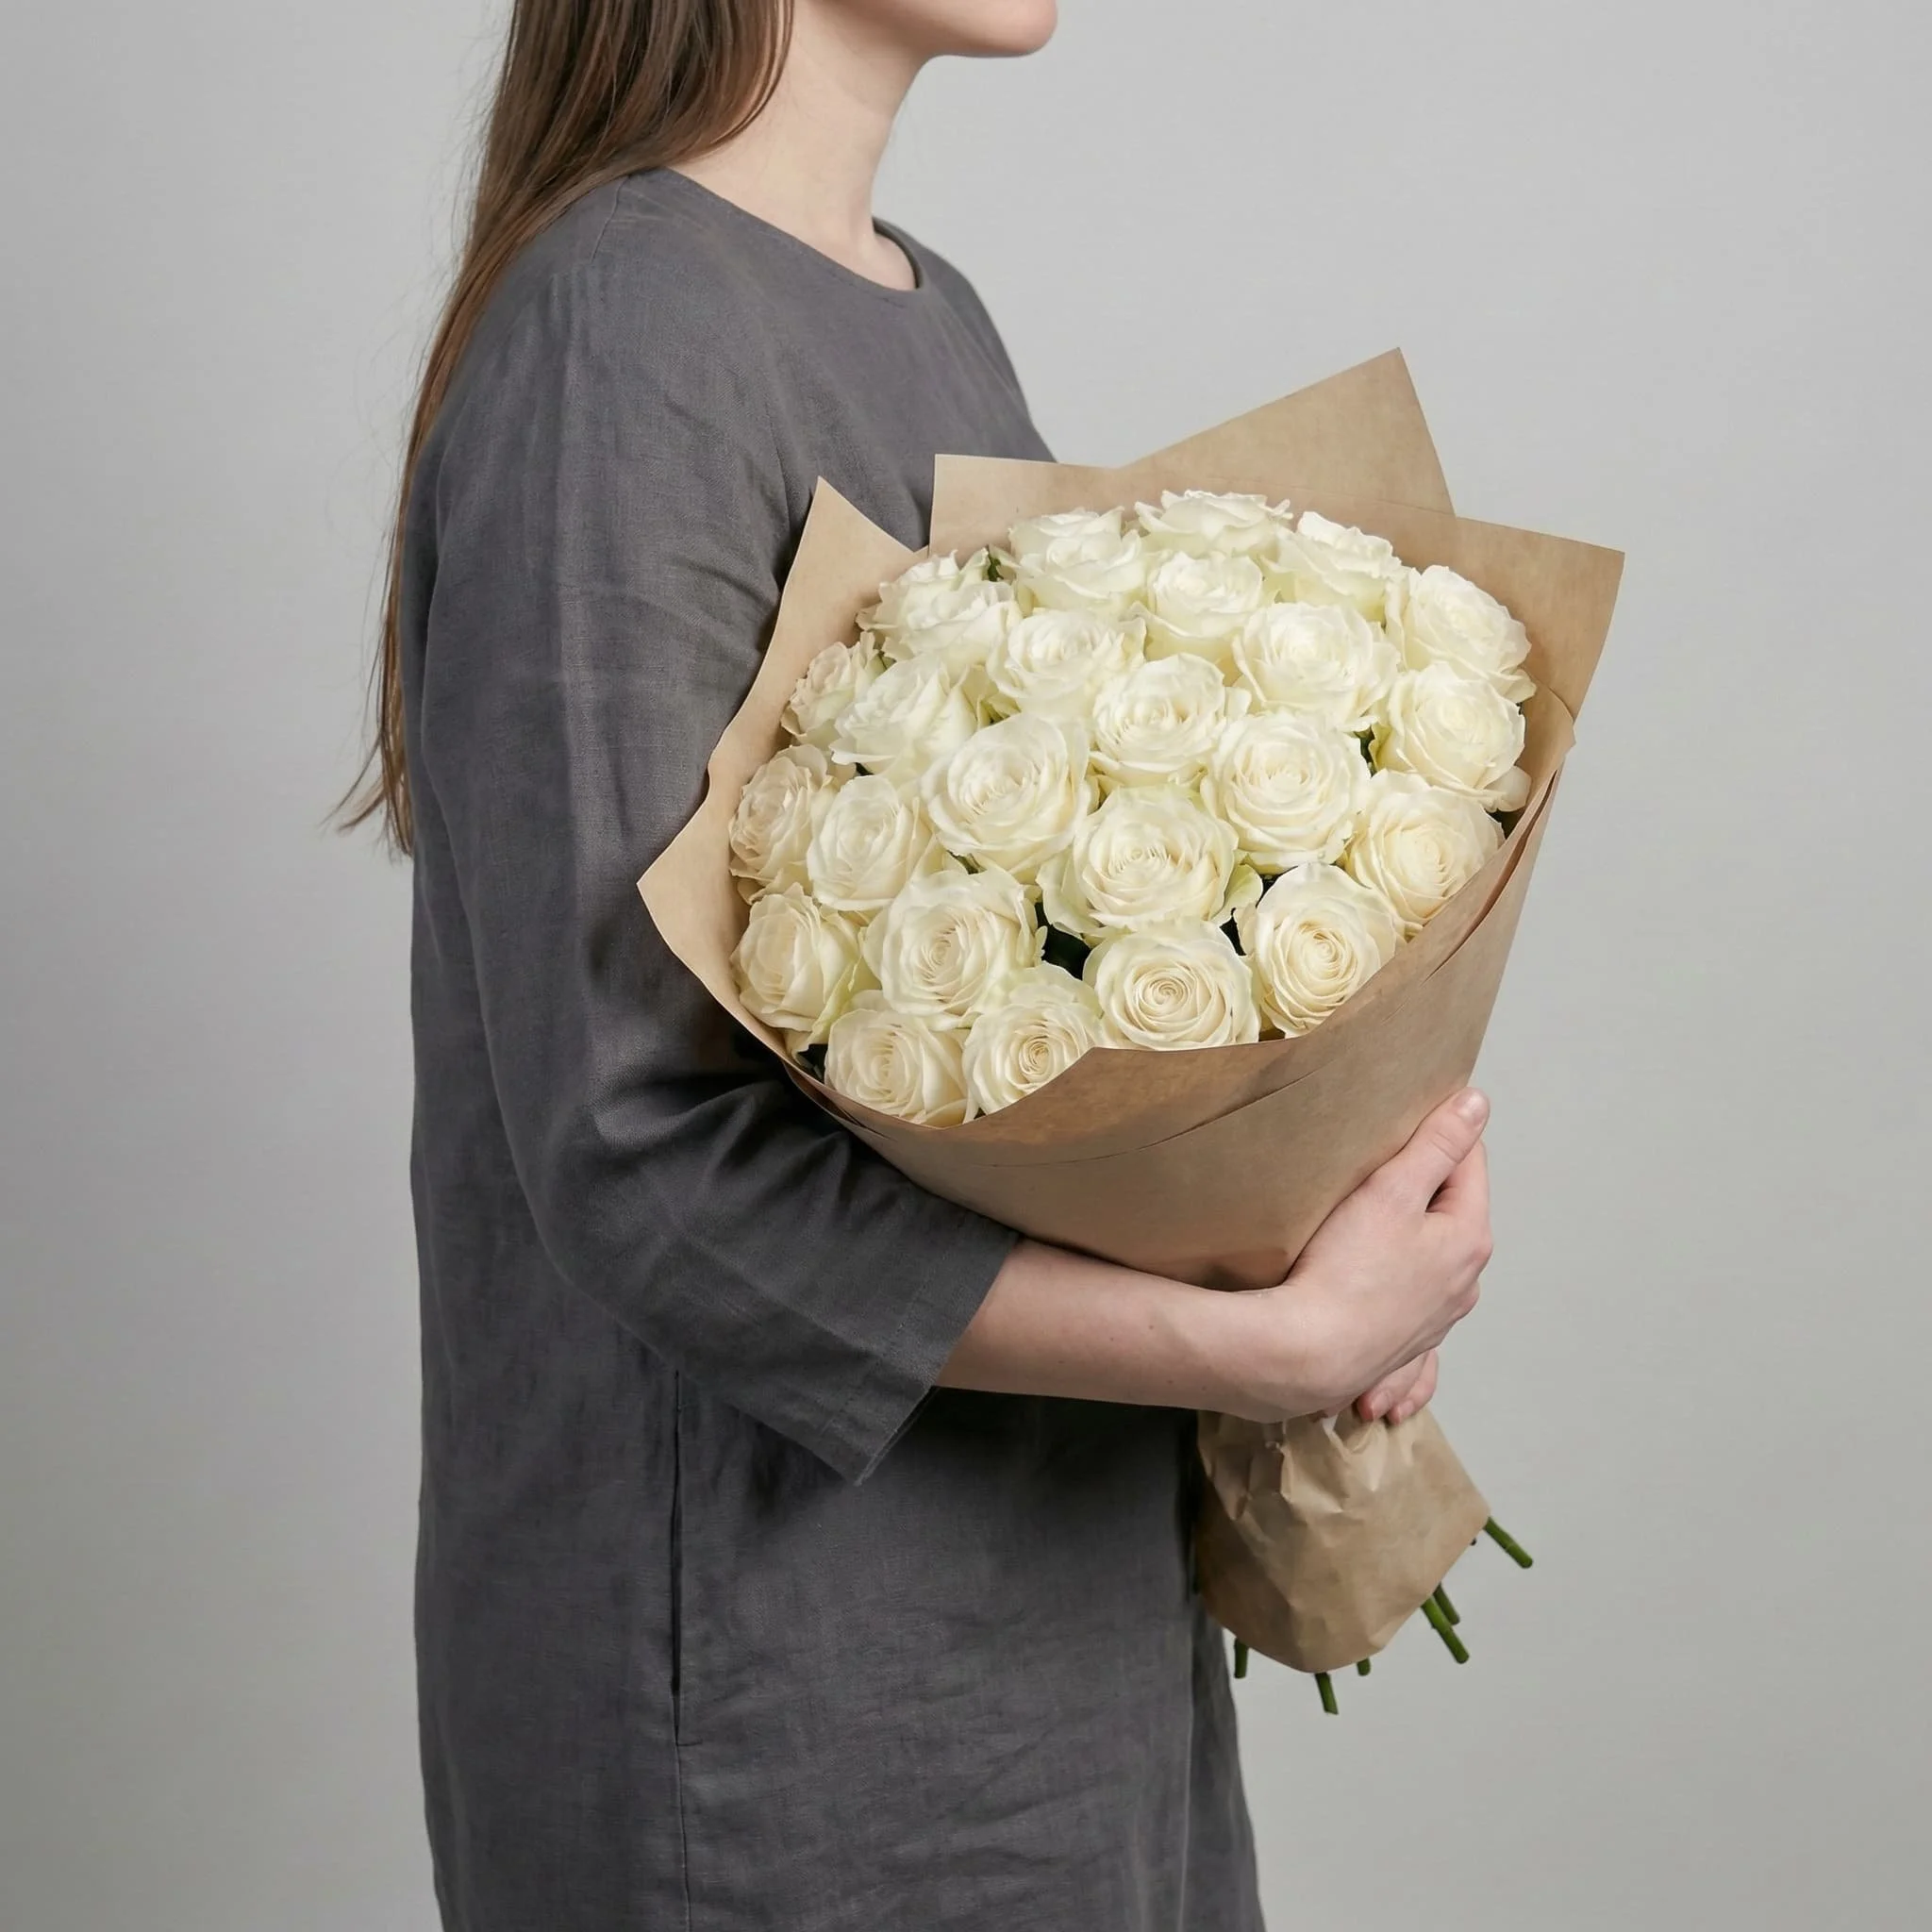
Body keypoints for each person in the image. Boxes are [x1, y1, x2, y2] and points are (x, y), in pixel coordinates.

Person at [341, 3, 1491, 1925]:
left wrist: (1303, 1215)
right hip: (788, 1701)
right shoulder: (620, 328)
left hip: (1054, 1621)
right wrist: (1259, 1339)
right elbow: (638, 1153)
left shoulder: (926, 310)